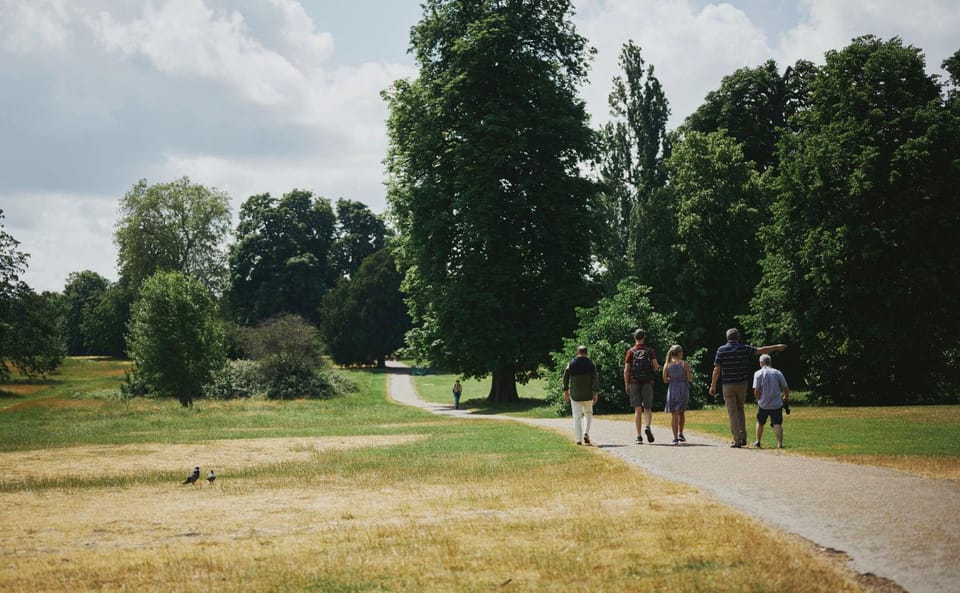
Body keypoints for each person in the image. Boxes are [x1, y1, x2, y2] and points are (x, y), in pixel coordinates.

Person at [709, 328, 786, 448]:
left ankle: (737, 439)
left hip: (728, 384)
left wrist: (713, 385)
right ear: (738, 337)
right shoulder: (744, 348)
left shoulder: (721, 350)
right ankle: (743, 437)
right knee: (740, 409)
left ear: (727, 337)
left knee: (732, 412)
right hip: (742, 384)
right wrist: (776, 346)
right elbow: (762, 350)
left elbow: (716, 370)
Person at [624, 329, 660, 444]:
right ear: (644, 337)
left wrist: (626, 384)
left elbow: (626, 370)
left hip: (634, 382)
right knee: (648, 408)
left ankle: (639, 437)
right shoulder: (649, 351)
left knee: (637, 409)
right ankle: (648, 426)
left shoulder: (631, 351)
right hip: (647, 382)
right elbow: (656, 366)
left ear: (634, 337)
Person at [563, 345, 599, 445]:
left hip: (575, 395)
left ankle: (578, 440)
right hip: (588, 395)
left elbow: (565, 377)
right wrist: (595, 392)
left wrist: (565, 391)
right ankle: (586, 433)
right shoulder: (591, 364)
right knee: (588, 414)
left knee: (576, 417)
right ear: (586, 353)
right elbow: (595, 379)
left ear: (577, 352)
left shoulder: (571, 363)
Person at [752, 354, 790, 448]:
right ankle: (779, 444)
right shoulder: (777, 372)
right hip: (776, 403)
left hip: (763, 403)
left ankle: (758, 442)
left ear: (761, 363)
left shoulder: (758, 373)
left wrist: (758, 398)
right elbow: (785, 387)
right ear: (770, 362)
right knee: (777, 423)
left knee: (760, 422)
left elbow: (756, 389)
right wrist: (786, 397)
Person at [662, 344, 692, 445]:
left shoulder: (667, 364)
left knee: (674, 414)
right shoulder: (684, 364)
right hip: (683, 388)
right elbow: (689, 378)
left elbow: (665, 380)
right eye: (681, 352)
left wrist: (672, 379)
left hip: (672, 388)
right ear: (678, 353)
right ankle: (681, 433)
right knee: (681, 412)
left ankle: (675, 438)